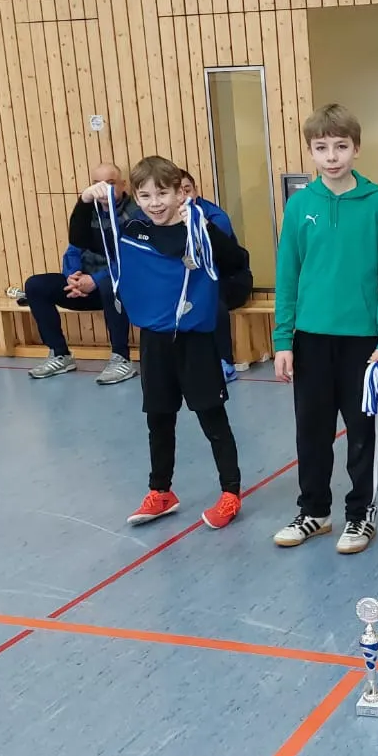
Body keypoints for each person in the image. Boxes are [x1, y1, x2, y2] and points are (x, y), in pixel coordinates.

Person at [270, 103, 378, 555]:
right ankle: (314, 511)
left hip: (362, 343)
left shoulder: (377, 203)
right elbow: (287, 275)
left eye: (341, 146)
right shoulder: (300, 205)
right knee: (311, 431)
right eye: (322, 147)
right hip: (310, 339)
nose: (332, 156)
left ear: (356, 148)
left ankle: (361, 514)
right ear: (310, 151)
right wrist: (283, 340)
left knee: (362, 432)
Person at [91, 155, 249, 530]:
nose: (155, 203)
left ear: (181, 193)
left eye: (163, 193)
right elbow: (85, 238)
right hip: (154, 341)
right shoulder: (134, 231)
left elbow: (237, 261)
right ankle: (161, 491)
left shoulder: (199, 229)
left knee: (212, 417)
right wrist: (87, 203)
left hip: (196, 341)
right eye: (146, 196)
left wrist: (206, 230)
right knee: (159, 418)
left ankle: (230, 493)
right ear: (136, 198)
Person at [23, 162, 137, 385]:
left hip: (121, 288)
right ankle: (59, 354)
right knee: (36, 285)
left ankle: (121, 358)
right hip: (84, 286)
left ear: (123, 185)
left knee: (110, 285)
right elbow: (74, 248)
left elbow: (131, 261)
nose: (103, 189)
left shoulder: (135, 213)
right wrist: (72, 277)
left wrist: (95, 280)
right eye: (97, 184)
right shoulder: (87, 212)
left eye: (110, 183)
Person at [179, 169, 252, 384]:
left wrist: (204, 228)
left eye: (187, 190)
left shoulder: (214, 217)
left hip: (230, 277)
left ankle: (224, 362)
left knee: (211, 299)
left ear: (195, 191)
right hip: (192, 280)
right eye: (177, 191)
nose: (183, 196)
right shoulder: (165, 218)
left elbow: (224, 257)